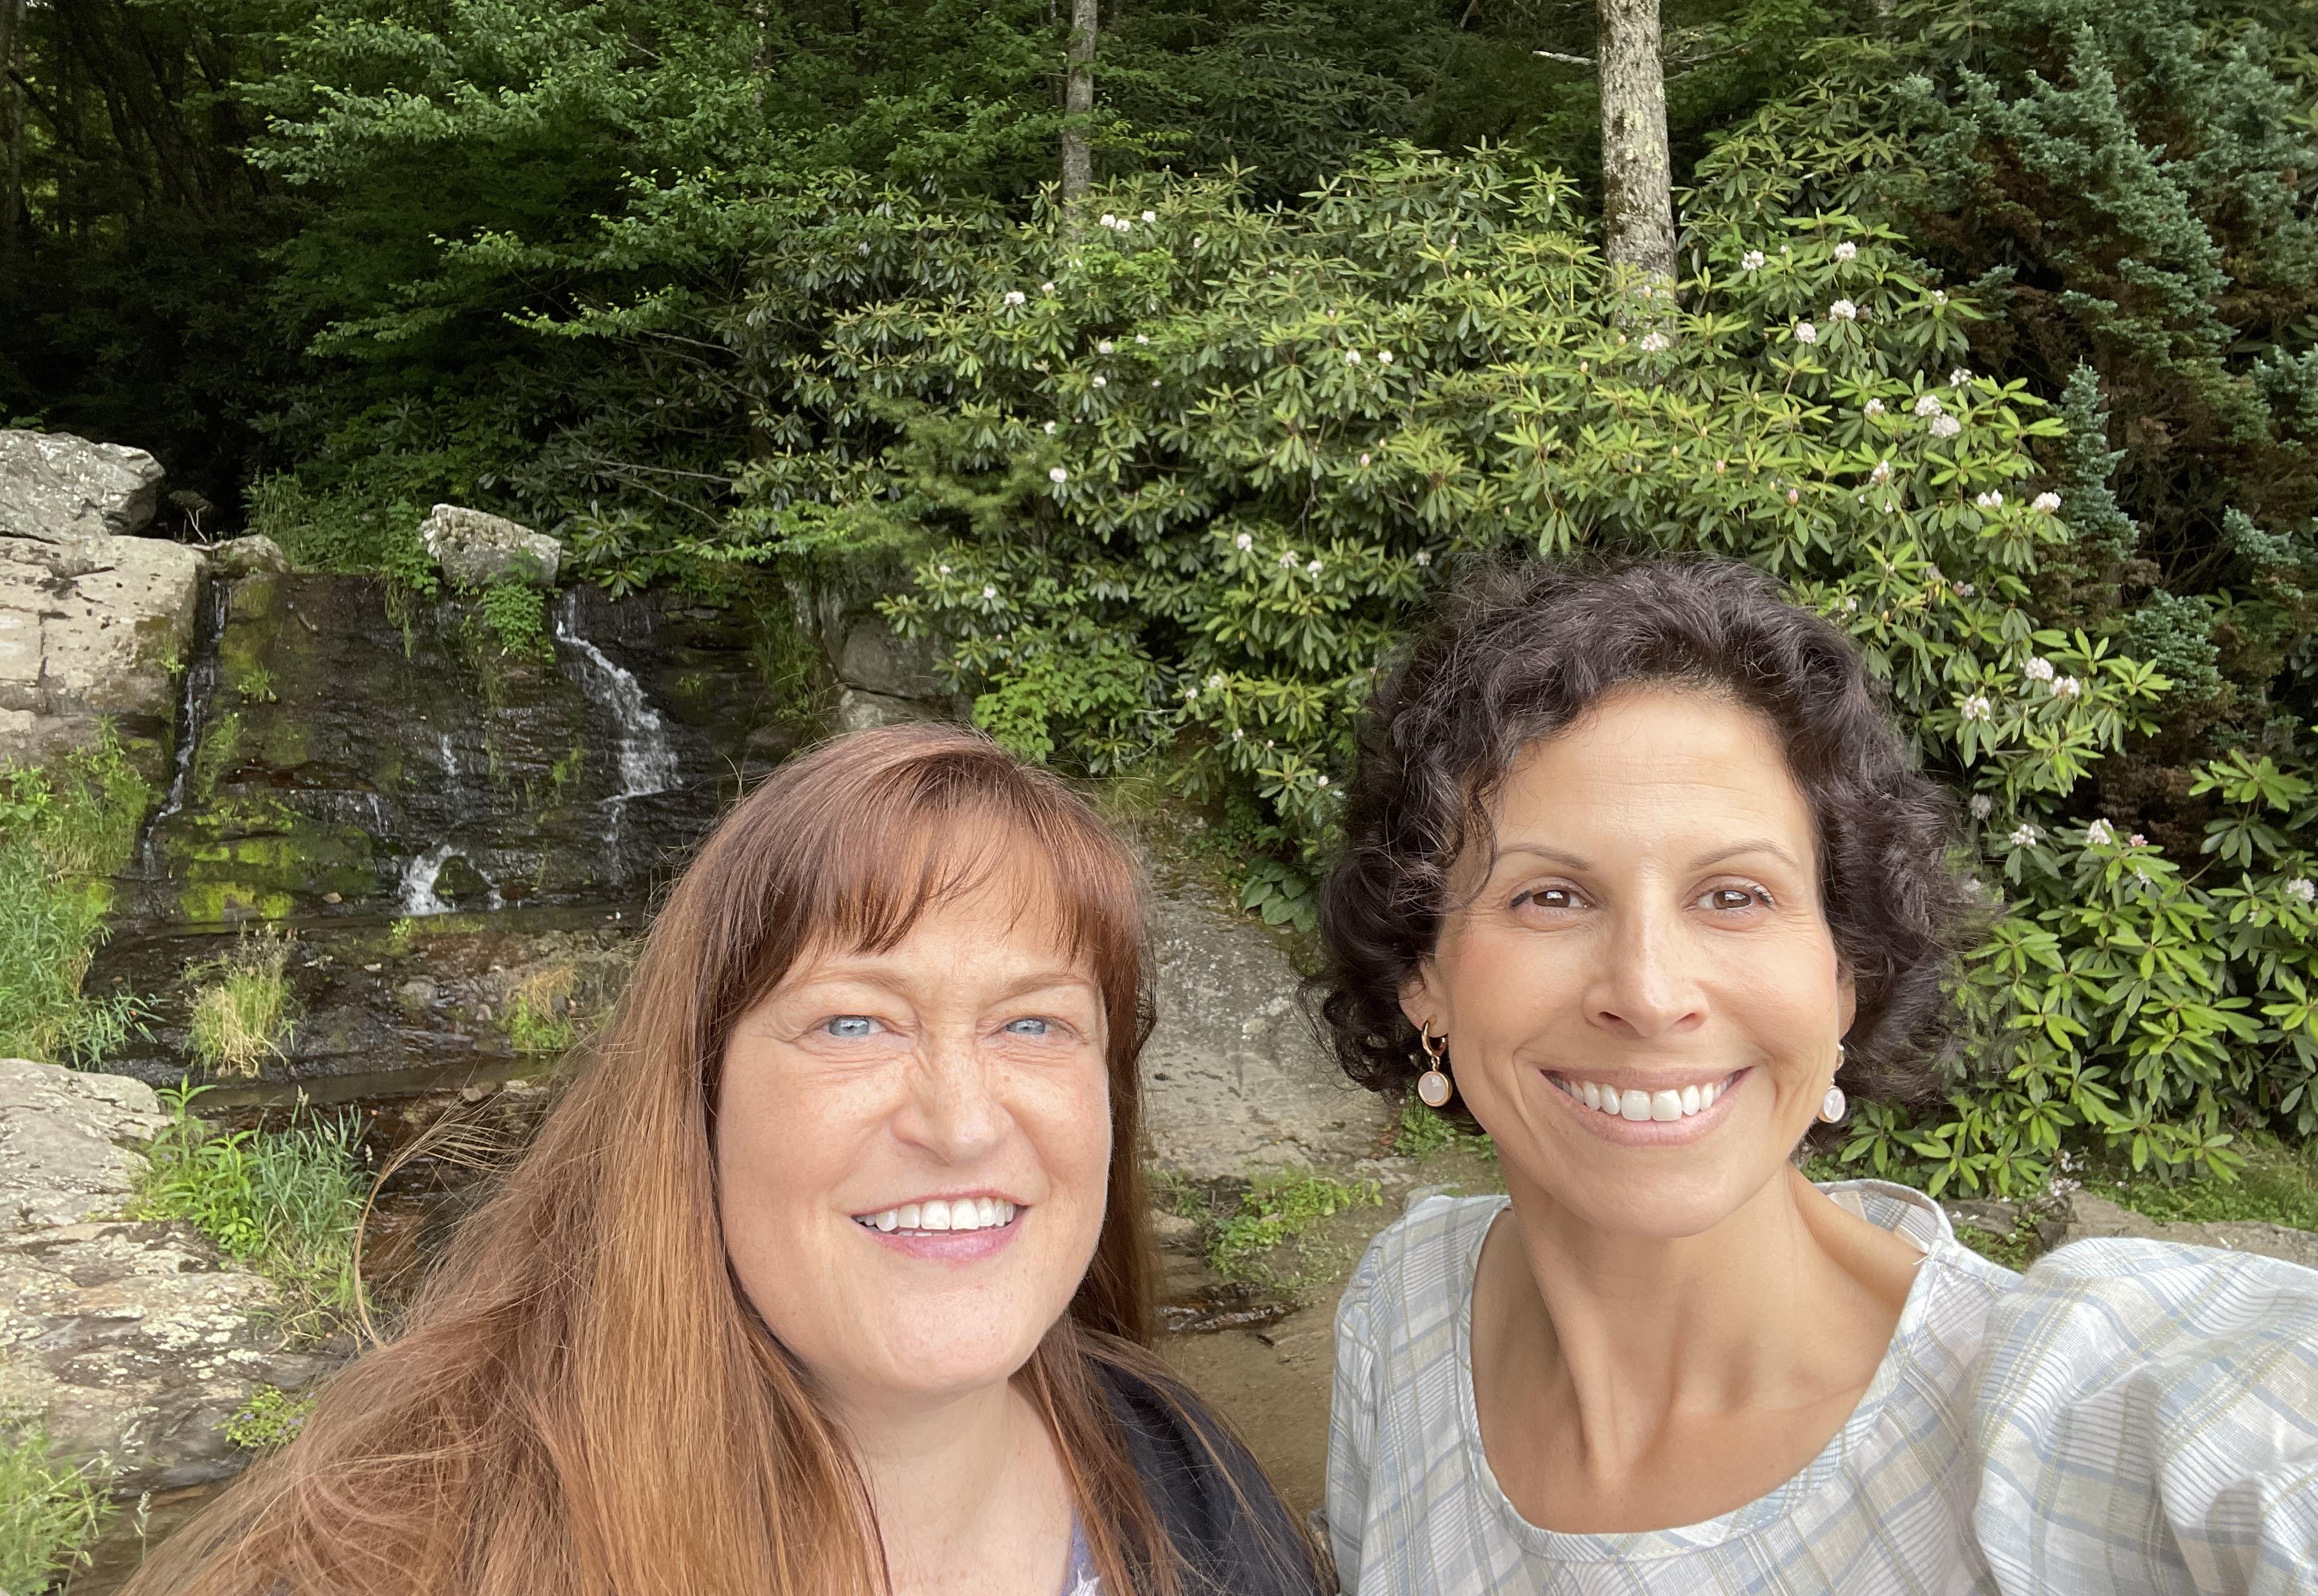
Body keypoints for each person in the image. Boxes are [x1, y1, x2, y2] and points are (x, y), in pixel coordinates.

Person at [1315, 556, 2318, 1595]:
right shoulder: (1405, 1310)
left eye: (1736, 895)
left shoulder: (2057, 1427)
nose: (1651, 993)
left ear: (1843, 980)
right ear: (1422, 976)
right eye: (1551, 898)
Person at [131, 723, 1321, 1596]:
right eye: (854, 1021)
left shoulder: (1194, 1484)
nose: (960, 1123)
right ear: (695, 1097)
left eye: (1034, 1023)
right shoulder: (408, 1553)